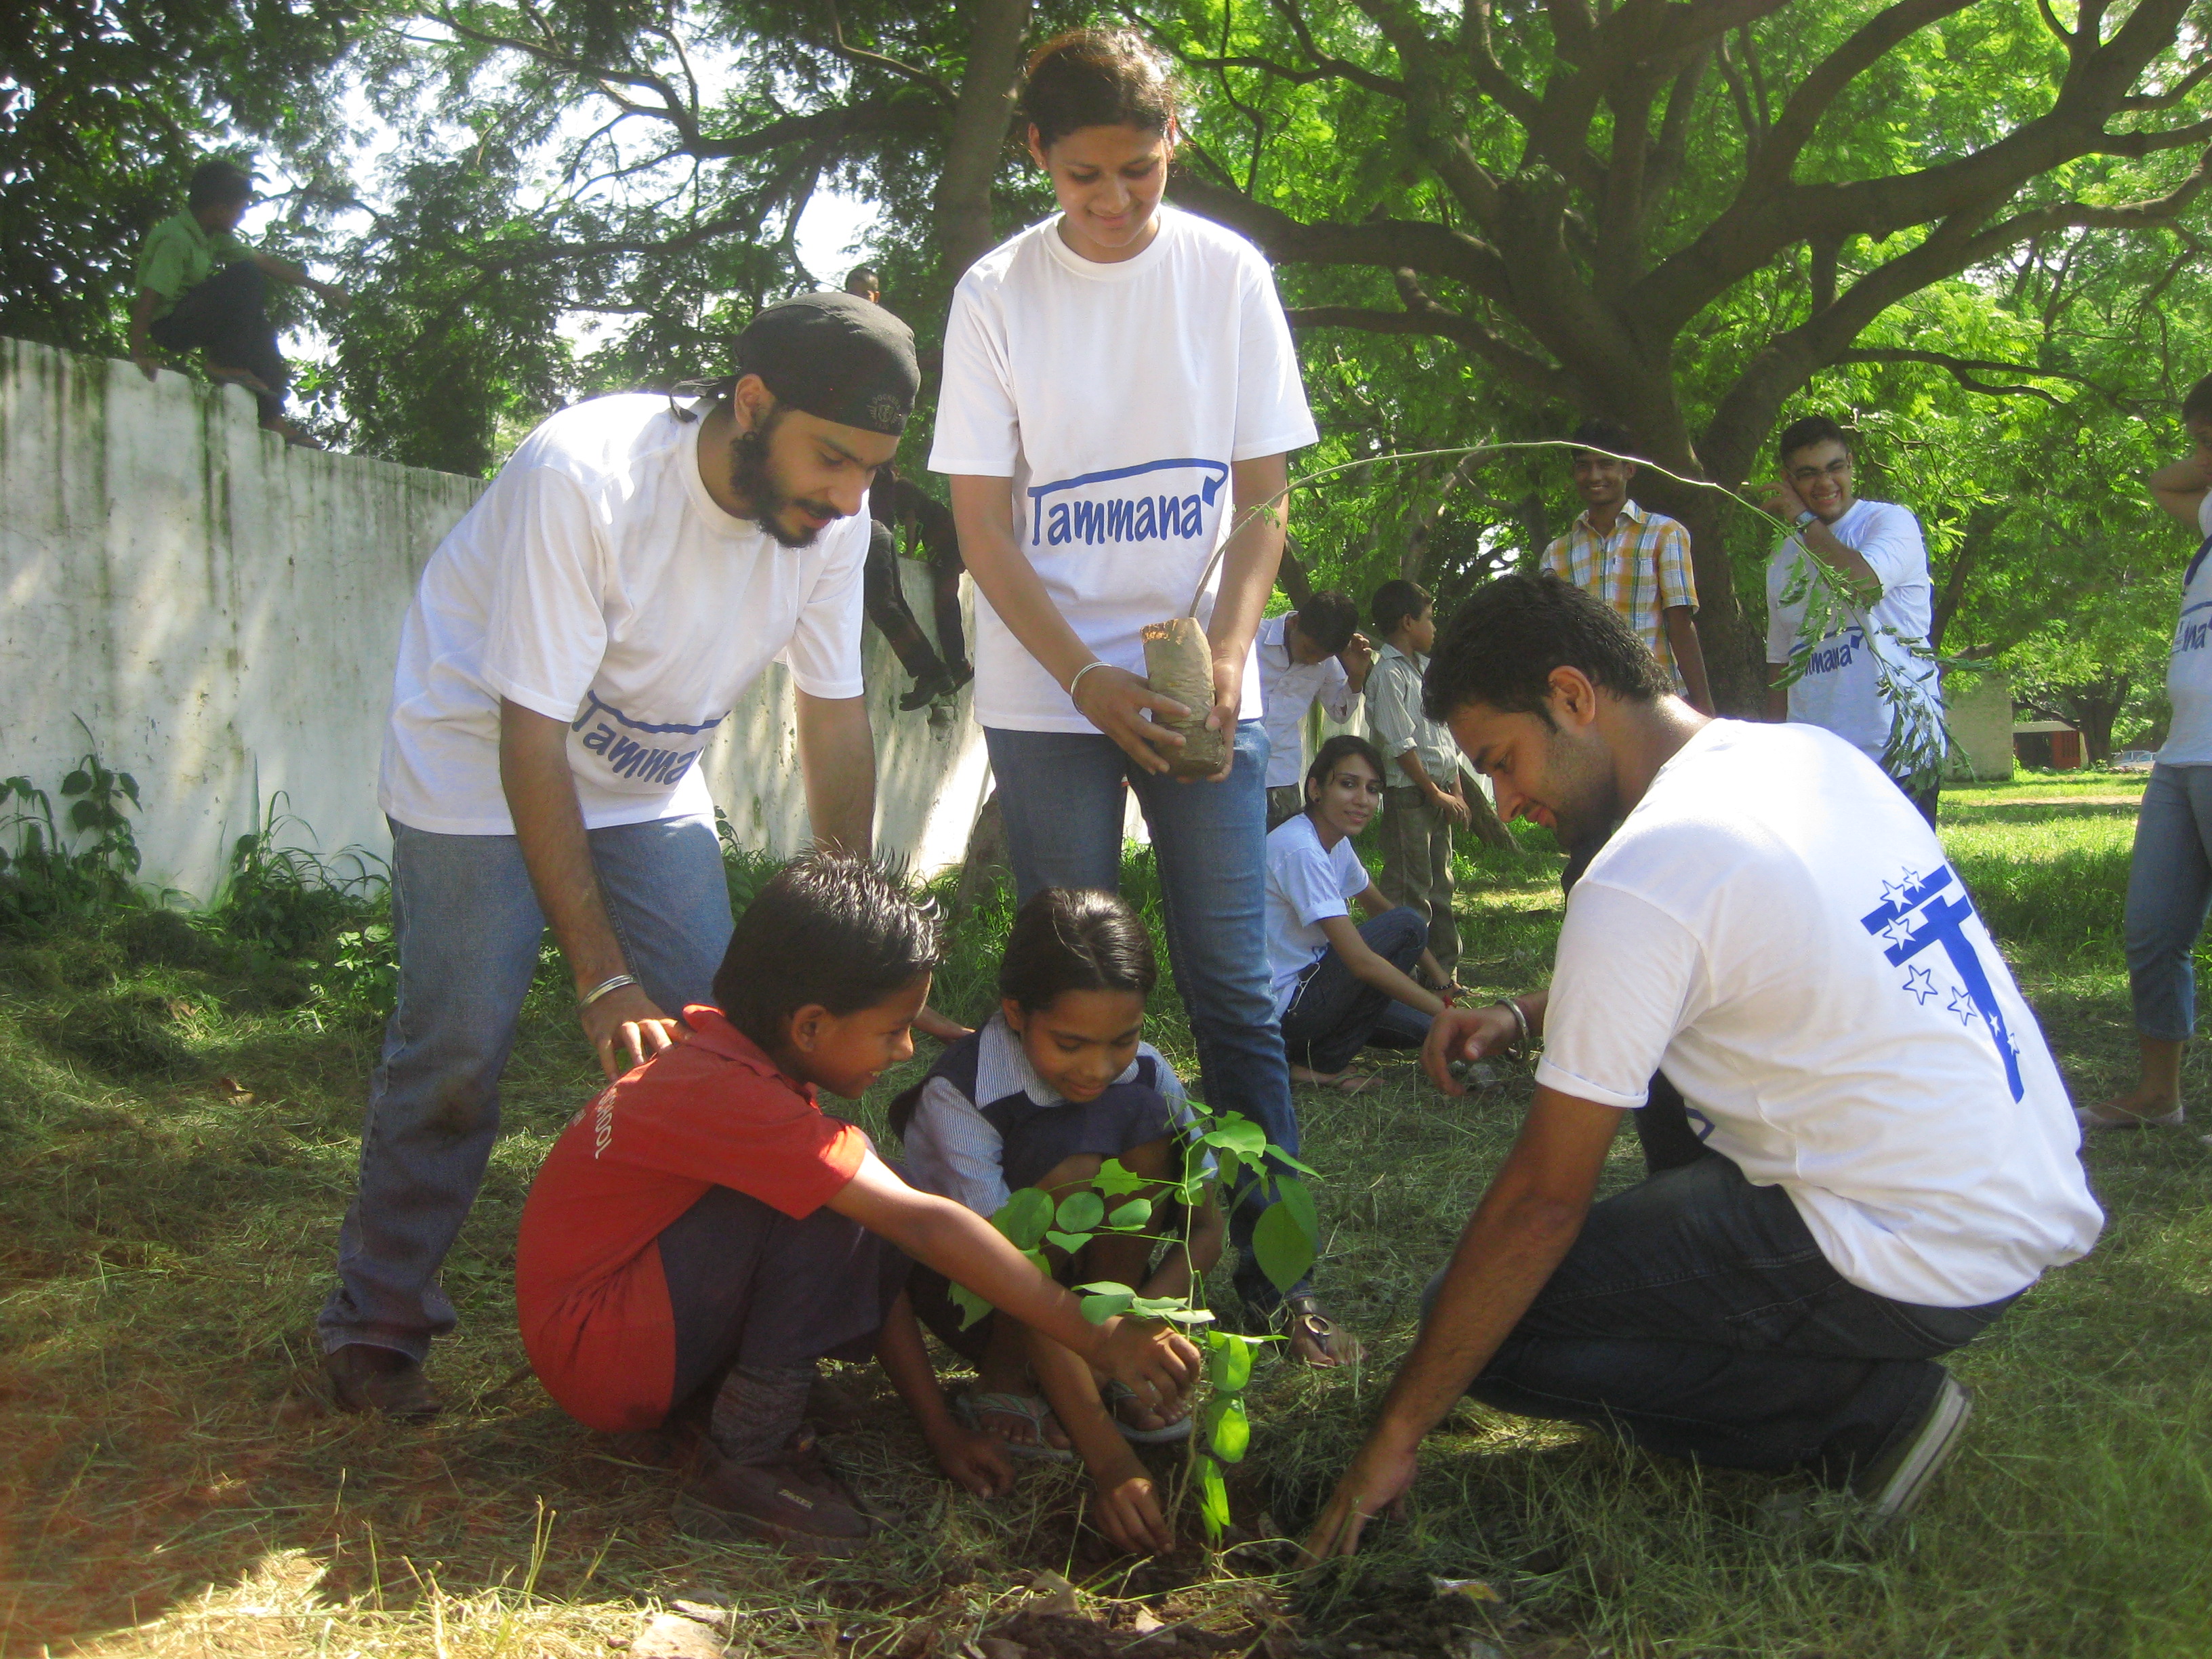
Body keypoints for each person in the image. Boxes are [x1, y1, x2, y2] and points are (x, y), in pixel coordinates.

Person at [1304, 574, 2102, 1555]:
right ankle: (1800, 1342)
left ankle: (1866, 1418)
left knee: (1478, 1332)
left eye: (1503, 763)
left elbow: (1541, 1206)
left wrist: (1394, 1432)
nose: (1509, 804)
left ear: (1572, 695)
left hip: (1911, 1250)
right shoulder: (1801, 757)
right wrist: (1523, 1012)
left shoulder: (1642, 870)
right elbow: (1726, 945)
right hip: (2013, 1195)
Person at [318, 291, 922, 1420]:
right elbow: (529, 732)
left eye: (871, 474)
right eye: (833, 459)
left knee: (738, 1038)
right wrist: (599, 975)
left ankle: (705, 1309)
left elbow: (832, 714)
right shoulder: (585, 477)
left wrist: (857, 947)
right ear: (751, 404)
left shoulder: (835, 527)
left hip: (644, 779)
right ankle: (378, 1315)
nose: (849, 498)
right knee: (455, 1047)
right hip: (475, 758)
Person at [930, 30, 1355, 1365]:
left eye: (1140, 169)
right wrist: (1083, 675)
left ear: (1173, 139)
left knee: (1237, 995)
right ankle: (1062, 1294)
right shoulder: (996, 293)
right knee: (1067, 988)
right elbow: (984, 536)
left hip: (1196, 694)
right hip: (1050, 690)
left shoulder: (1227, 276)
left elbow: (1263, 500)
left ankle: (1275, 1289)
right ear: (1038, 162)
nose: (1114, 203)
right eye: (1082, 177)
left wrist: (1229, 656)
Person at [515, 854, 1200, 1555]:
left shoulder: (732, 1066)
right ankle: (751, 1456)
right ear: (810, 1025)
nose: (907, 1048)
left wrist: (938, 1427)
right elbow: (917, 1223)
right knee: (848, 1198)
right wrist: (1098, 1335)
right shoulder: (738, 1099)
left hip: (607, 1335)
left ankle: (742, 1401)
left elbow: (883, 1228)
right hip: (599, 1356)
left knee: (863, 1186)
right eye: (893, 1028)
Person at [890, 886, 1225, 1554]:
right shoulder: (959, 1096)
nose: (1099, 1068)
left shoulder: (1153, 1076)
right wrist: (1108, 1458)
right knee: (1071, 1179)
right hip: (987, 1306)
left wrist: (1137, 1328)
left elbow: (1206, 1231)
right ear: (1016, 1012)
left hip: (1100, 1306)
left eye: (1123, 1040)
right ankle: (1011, 1380)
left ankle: (1088, 1378)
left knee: (1139, 1131)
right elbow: (1002, 1270)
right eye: (1070, 1044)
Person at [2086, 372, 2212, 1132]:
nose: (2199, 455)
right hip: (2179, 757)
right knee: (2152, 929)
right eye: (2199, 441)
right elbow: (2160, 484)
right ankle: (2159, 1094)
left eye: (2209, 439)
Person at [1762, 415, 1944, 825]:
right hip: (1820, 761)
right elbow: (1781, 662)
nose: (1824, 483)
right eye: (1808, 474)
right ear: (1787, 480)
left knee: (1898, 881)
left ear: (1850, 464)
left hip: (1898, 752)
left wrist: (1804, 521)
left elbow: (1863, 585)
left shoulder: (1889, 522)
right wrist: (1777, 753)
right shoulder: (1782, 557)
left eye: (1834, 468)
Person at [1267, 735, 1448, 1089]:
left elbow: (1379, 907)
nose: (1363, 800)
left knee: (1421, 1028)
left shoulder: (1335, 842)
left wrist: (1441, 981)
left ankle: (1309, 1059)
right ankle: (1314, 1065)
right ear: (1316, 789)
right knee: (1408, 925)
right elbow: (1361, 961)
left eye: (1373, 789)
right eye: (1348, 785)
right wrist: (1450, 1014)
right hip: (1285, 1009)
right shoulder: (1300, 848)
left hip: (1315, 984)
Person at [129, 158, 347, 443]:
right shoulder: (176, 239)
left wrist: (320, 288)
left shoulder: (213, 236)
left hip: (192, 317)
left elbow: (265, 262)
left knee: (261, 328)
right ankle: (224, 363)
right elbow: (149, 296)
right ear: (220, 210)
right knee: (246, 277)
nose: (241, 217)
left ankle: (271, 418)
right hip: (169, 325)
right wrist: (137, 352)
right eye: (241, 209)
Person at [844, 263, 970, 712]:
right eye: (850, 290)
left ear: (876, 298)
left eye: (862, 291)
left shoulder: (888, 348)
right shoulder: (853, 349)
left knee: (886, 597)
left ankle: (940, 669)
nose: (855, 296)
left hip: (872, 514)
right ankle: (937, 671)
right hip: (864, 510)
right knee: (888, 596)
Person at [1541, 419, 1713, 715]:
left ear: (1629, 469)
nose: (1594, 475)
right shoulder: (1556, 555)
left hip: (1658, 702)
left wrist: (1704, 708)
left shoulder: (1665, 534)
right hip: (1594, 711)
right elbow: (1555, 642)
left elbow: (1680, 624)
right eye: (1584, 466)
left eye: (1606, 464)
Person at [1364, 579, 1465, 989]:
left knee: (1442, 885)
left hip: (1436, 793)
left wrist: (1454, 789)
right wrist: (1434, 791)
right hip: (1411, 796)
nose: (1435, 627)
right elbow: (1399, 744)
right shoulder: (1388, 674)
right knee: (1410, 891)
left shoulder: (1423, 671)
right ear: (1408, 622)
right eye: (1429, 618)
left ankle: (1444, 974)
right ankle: (1399, 981)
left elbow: (1443, 736)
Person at [1258, 592, 1372, 830]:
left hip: (1281, 775)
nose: (1313, 661)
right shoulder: (1251, 639)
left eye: (1323, 657)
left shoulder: (1326, 664)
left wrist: (1357, 675)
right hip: (1231, 765)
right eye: (1309, 650)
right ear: (1295, 622)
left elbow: (1340, 713)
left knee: (1281, 853)